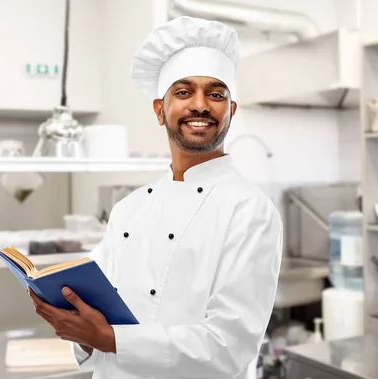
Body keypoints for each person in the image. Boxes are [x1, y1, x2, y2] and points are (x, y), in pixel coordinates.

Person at [28, 15, 283, 379]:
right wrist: (82, 334)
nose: (200, 105)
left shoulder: (250, 210)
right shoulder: (129, 210)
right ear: (159, 110)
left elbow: (230, 346)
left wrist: (111, 339)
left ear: (231, 111)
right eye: (183, 92)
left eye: (216, 93)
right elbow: (99, 325)